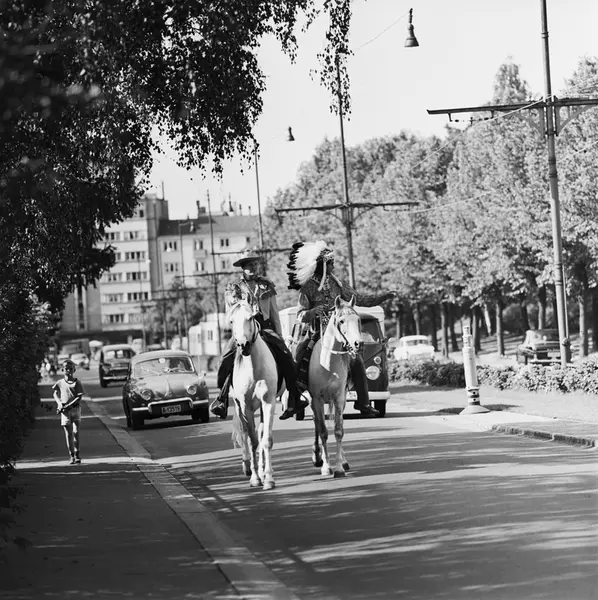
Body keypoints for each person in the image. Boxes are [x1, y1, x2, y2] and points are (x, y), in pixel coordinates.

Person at [287, 241, 396, 418]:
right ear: (322, 265)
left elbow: (359, 299)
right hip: (316, 332)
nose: (333, 266)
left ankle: (363, 403)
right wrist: (313, 312)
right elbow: (300, 315)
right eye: (331, 263)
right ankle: (294, 401)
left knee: (357, 361)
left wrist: (381, 298)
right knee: (297, 355)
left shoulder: (337, 284)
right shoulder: (307, 288)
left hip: (340, 333)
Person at [210, 250, 309, 421]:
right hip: (243, 329)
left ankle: (294, 396)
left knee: (286, 356)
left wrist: (280, 336)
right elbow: (231, 314)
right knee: (226, 356)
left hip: (265, 327)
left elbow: (274, 313)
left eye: (255, 264)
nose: (254, 268)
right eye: (250, 265)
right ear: (243, 267)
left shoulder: (266, 285)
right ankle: (222, 398)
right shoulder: (233, 288)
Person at [52, 359, 84, 464]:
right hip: (65, 412)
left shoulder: (77, 382)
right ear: (63, 369)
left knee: (76, 432)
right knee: (69, 434)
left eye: (71, 369)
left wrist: (69, 405)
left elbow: (79, 397)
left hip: (75, 409)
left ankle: (77, 454)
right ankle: (71, 455)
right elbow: (55, 393)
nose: (69, 371)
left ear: (74, 370)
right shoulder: (60, 383)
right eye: (66, 369)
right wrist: (59, 403)